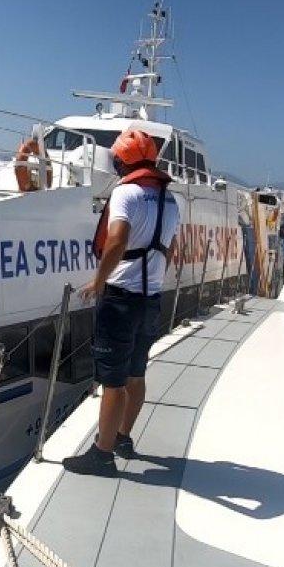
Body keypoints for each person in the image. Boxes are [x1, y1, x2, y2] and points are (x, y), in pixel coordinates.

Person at [64, 128, 179, 476]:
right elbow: (171, 249)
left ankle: (102, 454)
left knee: (112, 381)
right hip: (151, 298)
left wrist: (99, 282)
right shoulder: (171, 200)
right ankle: (124, 438)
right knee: (136, 373)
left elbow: (116, 241)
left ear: (121, 160)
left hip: (121, 299)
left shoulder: (126, 193)